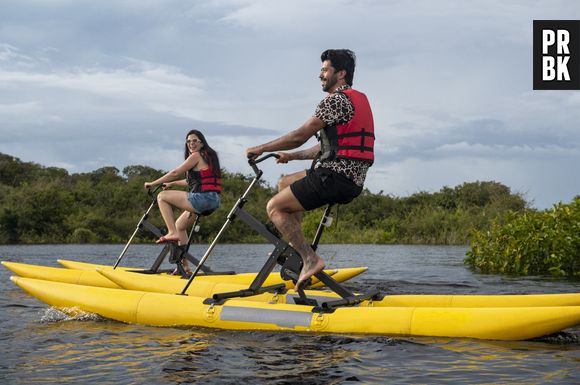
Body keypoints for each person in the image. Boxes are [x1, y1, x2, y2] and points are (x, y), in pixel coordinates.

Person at [246, 49, 374, 289]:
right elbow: (327, 147)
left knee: (274, 207)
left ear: (341, 73)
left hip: (334, 177)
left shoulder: (336, 100)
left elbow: (299, 135)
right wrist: (291, 157)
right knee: (285, 183)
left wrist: (261, 148)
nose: (320, 75)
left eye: (325, 70)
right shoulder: (357, 99)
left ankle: (309, 258)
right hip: (347, 178)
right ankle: (294, 250)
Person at [144, 129, 222, 274]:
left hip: (202, 199)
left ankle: (171, 232)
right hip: (213, 201)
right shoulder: (208, 157)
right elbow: (192, 181)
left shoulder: (196, 156)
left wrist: (153, 183)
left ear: (201, 143)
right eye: (188, 141)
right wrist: (172, 184)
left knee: (162, 196)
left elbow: (174, 173)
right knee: (181, 226)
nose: (191, 143)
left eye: (194, 141)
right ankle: (185, 267)